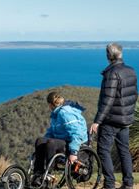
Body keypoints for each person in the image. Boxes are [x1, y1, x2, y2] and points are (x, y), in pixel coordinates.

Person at [90, 43, 138, 189]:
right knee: (124, 150)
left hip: (111, 120)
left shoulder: (112, 73)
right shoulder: (131, 71)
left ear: (108, 55)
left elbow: (108, 100)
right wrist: (128, 113)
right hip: (126, 119)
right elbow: (134, 95)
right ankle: (128, 183)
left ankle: (109, 184)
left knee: (103, 150)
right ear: (120, 54)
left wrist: (97, 121)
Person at [32, 92, 88, 185]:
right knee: (40, 141)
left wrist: (73, 152)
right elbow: (51, 132)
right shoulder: (56, 114)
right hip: (64, 140)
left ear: (50, 104)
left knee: (51, 143)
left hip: (73, 142)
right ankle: (38, 174)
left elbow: (76, 133)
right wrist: (38, 150)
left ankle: (48, 175)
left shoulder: (64, 113)